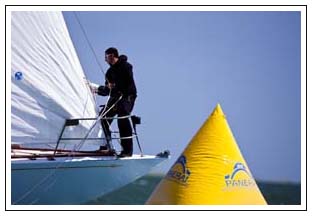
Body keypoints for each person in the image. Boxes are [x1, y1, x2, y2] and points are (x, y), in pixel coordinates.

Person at [89, 48, 137, 157]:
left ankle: (127, 151)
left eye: (106, 57)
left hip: (127, 97)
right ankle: (105, 147)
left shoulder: (126, 66)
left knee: (122, 117)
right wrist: (97, 90)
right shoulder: (109, 72)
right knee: (103, 117)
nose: (105, 60)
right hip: (115, 98)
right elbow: (107, 91)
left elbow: (128, 82)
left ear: (112, 56)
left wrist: (114, 85)